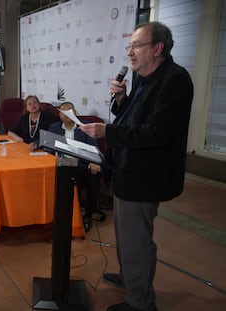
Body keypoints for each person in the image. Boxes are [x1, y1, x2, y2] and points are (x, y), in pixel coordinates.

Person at [79, 22, 193, 311]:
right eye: (129, 46)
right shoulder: (144, 77)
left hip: (147, 176)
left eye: (137, 46)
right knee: (126, 235)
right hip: (127, 171)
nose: (130, 52)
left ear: (158, 48)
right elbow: (133, 118)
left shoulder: (175, 81)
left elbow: (155, 132)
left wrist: (108, 132)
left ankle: (140, 301)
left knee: (137, 241)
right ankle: (130, 276)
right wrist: (121, 99)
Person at [48, 102, 102, 232]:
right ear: (59, 114)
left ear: (75, 113)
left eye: (69, 111)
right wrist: (35, 144)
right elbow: (47, 144)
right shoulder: (54, 127)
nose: (66, 115)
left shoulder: (84, 127)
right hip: (60, 163)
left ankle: (88, 215)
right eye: (63, 112)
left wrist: (95, 162)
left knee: (94, 176)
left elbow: (94, 149)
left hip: (80, 164)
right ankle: (53, 213)